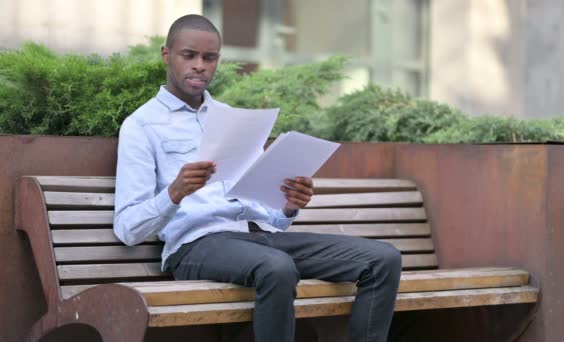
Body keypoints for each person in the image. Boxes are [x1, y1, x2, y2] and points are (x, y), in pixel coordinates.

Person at [113, 14, 401, 342]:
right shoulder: (141, 126)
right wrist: (175, 192)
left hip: (261, 238)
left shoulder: (233, 120)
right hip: (197, 245)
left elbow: (272, 217)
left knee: (382, 259)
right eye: (188, 55)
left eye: (209, 58)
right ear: (167, 55)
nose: (199, 66)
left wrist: (289, 205)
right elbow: (127, 228)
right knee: (276, 267)